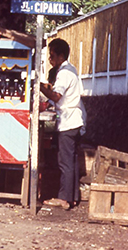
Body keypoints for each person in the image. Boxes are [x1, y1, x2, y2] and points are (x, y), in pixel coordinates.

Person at [40, 38, 87, 210]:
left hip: (69, 122)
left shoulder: (65, 73)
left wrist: (38, 87)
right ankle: (72, 196)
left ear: (60, 56)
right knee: (71, 161)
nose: (50, 60)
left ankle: (64, 199)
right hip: (73, 120)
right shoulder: (70, 70)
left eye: (52, 56)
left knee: (65, 161)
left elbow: (56, 96)